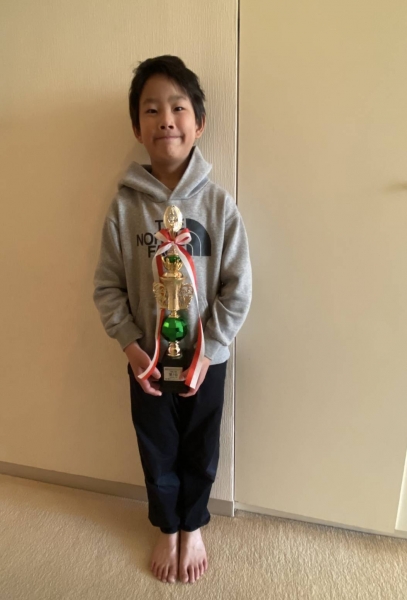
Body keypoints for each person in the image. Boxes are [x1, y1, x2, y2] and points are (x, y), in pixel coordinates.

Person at [93, 55, 251, 584]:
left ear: (198, 123)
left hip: (207, 360)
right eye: (151, 109)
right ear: (137, 128)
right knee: (156, 445)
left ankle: (194, 524)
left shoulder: (219, 205)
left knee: (202, 446)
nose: (166, 119)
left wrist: (211, 348)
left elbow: (238, 289)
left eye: (178, 107)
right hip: (147, 360)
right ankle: (167, 525)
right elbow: (107, 287)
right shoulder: (124, 208)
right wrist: (130, 344)